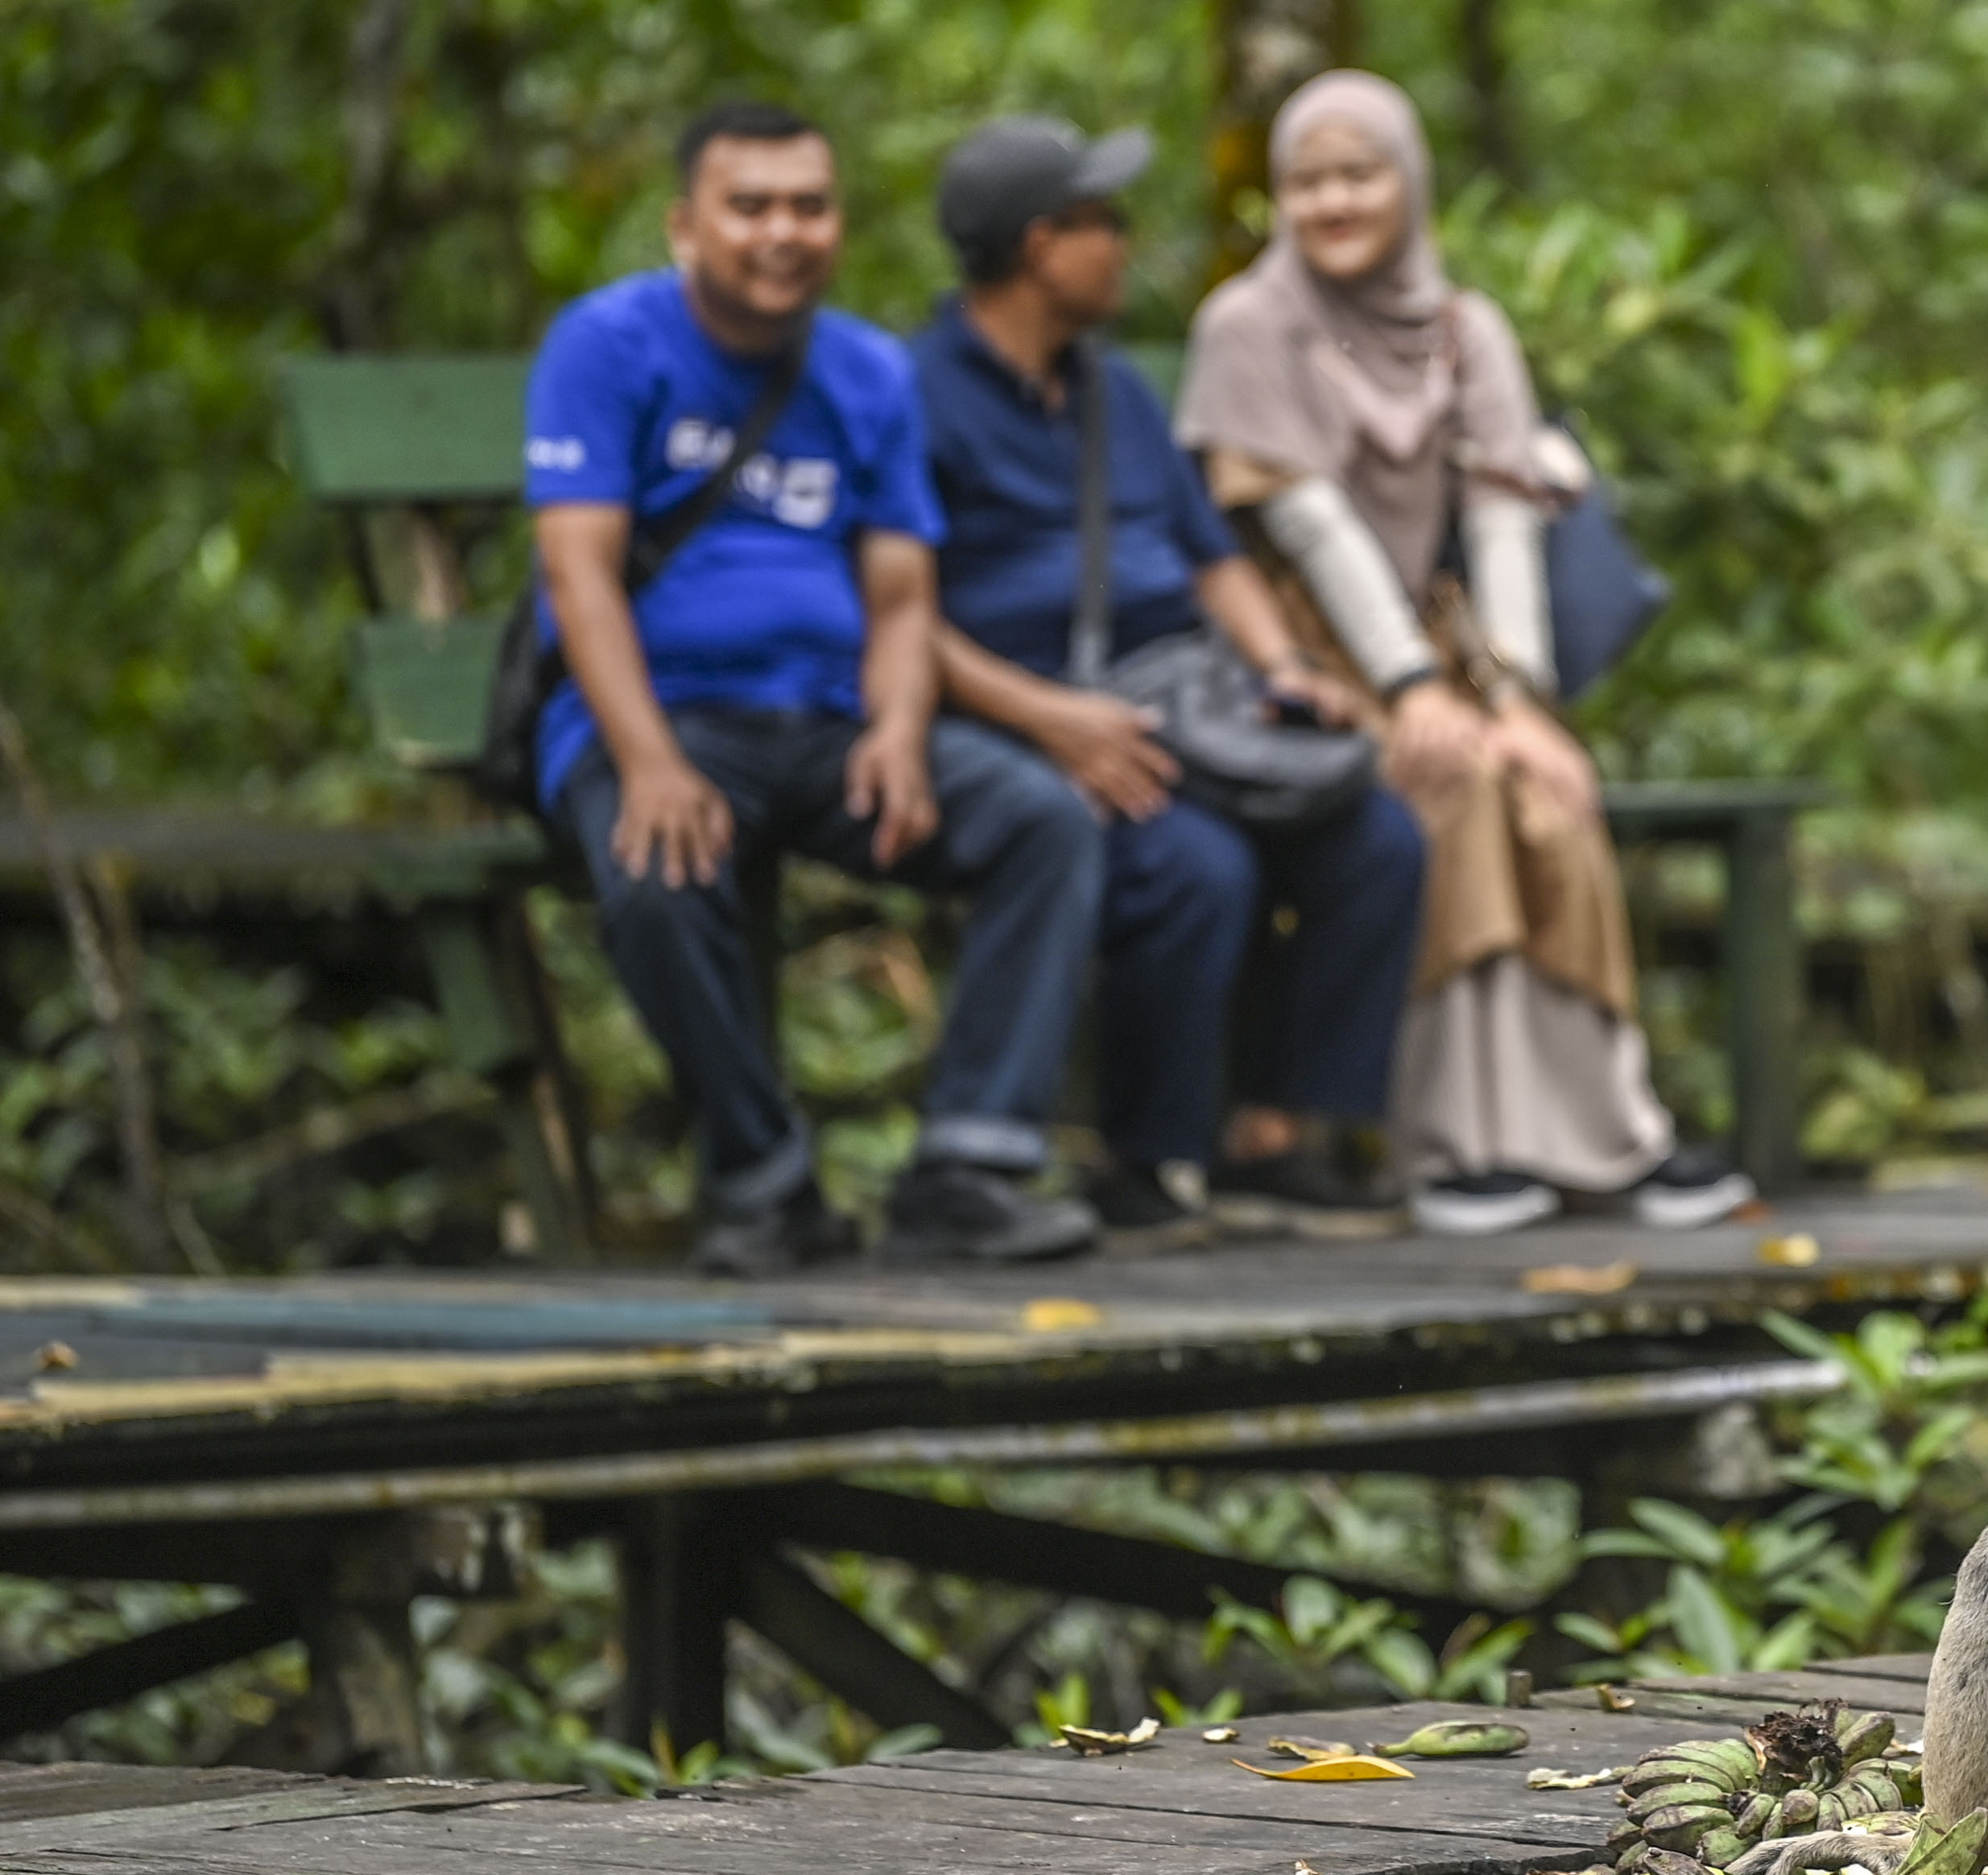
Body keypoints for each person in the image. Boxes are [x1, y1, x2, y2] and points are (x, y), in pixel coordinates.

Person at [525, 101, 1104, 1274]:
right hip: (664, 717)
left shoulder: (866, 370)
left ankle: (968, 1169)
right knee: (655, 870)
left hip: (830, 723)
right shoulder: (607, 344)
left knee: (1044, 822)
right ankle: (765, 1183)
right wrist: (649, 762)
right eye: (750, 207)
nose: (783, 232)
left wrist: (898, 729)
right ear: (685, 226)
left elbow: (901, 596)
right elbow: (579, 579)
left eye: (810, 206)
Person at [1176, 72, 1756, 1238]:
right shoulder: (1249, 325)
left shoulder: (1463, 327)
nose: (1333, 202)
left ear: (1409, 181)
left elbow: (1502, 523)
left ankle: (1607, 1136)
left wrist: (1521, 702)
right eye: (1306, 181)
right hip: (1299, 658)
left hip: (1454, 648)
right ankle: (1453, 1146)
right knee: (1454, 785)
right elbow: (1311, 531)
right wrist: (1410, 693)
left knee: (1548, 792)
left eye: (1359, 174)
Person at [912, 117, 1425, 1245]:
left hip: (1182, 695)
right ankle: (1144, 1157)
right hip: (1020, 715)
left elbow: (1209, 556)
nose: (1126, 247)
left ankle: (1272, 1139)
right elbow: (897, 611)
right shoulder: (915, 395)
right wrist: (1049, 722)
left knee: (1375, 834)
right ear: (1042, 246)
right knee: (1196, 867)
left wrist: (1284, 668)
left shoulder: (1118, 394)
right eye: (1106, 223)